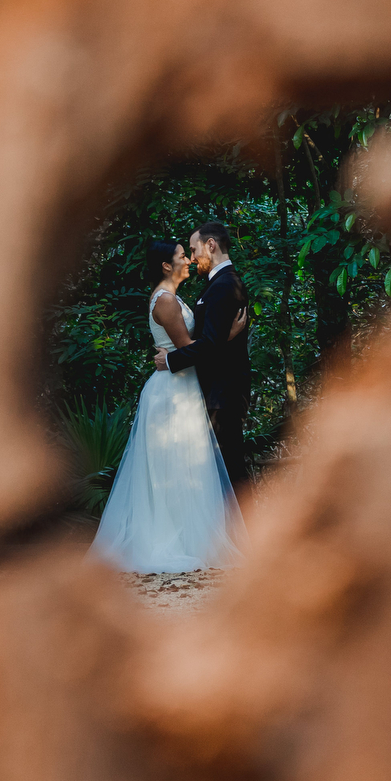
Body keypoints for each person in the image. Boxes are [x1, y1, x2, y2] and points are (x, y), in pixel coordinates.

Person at [89, 240, 248, 573]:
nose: (189, 260)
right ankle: (176, 541)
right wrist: (229, 336)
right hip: (172, 394)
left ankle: (192, 538)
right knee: (177, 464)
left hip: (180, 386)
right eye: (181, 256)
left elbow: (184, 352)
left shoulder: (171, 298)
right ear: (166, 265)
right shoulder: (165, 302)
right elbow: (190, 349)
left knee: (186, 464)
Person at [154, 222, 253, 491]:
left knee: (231, 470)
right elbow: (212, 338)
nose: (193, 256)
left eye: (195, 249)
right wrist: (223, 337)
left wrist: (171, 360)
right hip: (214, 391)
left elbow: (210, 342)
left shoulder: (224, 285)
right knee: (221, 472)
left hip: (223, 392)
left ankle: (251, 531)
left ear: (211, 245)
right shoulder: (217, 283)